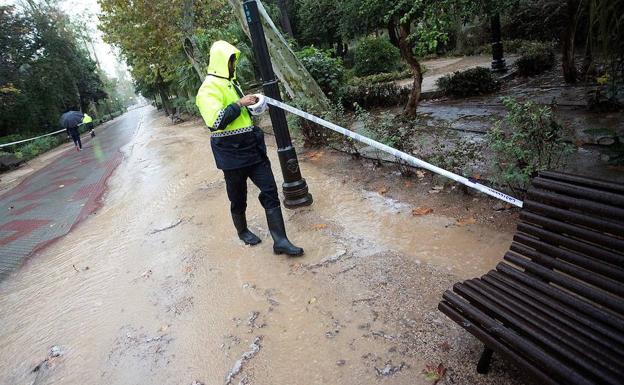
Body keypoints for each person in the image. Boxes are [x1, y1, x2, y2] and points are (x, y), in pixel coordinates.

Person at [196, 40, 304, 256]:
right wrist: (239, 103)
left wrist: (254, 104)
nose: (233, 65)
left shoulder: (231, 84)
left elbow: (242, 116)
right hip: (230, 154)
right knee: (238, 196)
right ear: (220, 61)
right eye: (230, 61)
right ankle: (243, 230)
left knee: (270, 190)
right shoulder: (207, 88)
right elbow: (216, 122)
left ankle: (280, 241)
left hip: (253, 149)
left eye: (234, 61)